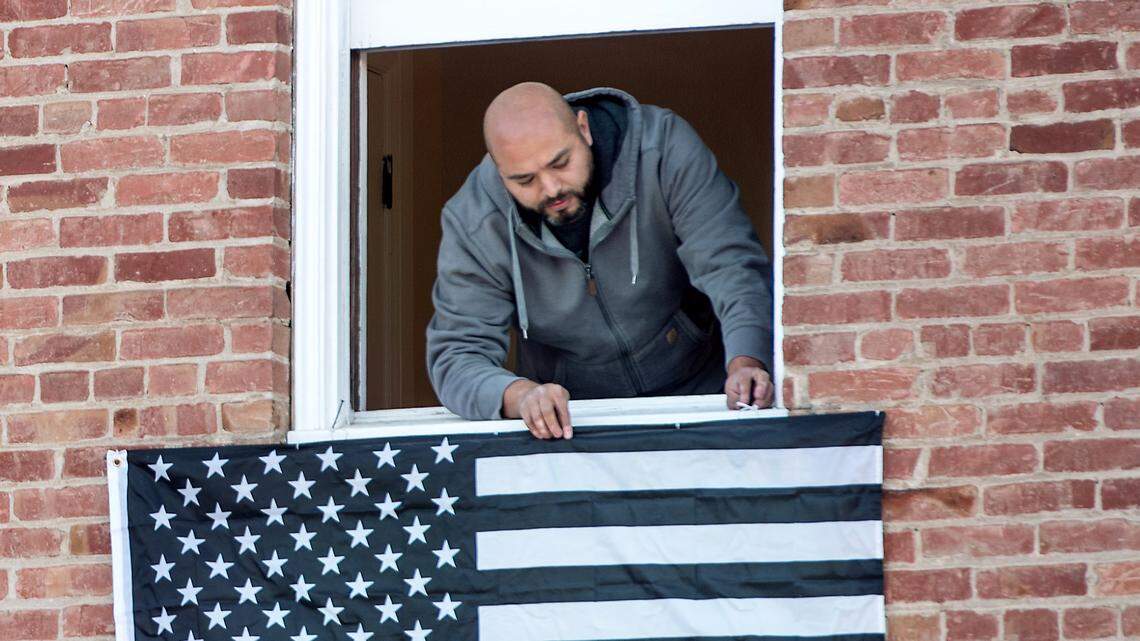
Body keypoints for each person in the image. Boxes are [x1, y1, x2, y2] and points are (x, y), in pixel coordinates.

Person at [426, 82, 774, 439]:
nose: (551, 189)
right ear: (501, 174)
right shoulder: (474, 220)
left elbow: (731, 265)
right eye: (524, 180)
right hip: (574, 424)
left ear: (583, 129)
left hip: (703, 395)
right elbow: (457, 355)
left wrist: (748, 361)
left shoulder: (662, 148)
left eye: (560, 163)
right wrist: (522, 396)